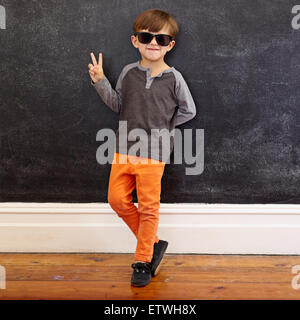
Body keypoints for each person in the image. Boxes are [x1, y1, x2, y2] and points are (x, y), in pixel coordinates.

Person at [88, 9, 196, 287]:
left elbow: (188, 110)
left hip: (154, 154)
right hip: (123, 148)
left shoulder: (174, 78)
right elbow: (117, 104)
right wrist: (100, 81)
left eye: (161, 39)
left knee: (149, 208)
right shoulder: (128, 72)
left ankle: (142, 261)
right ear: (135, 40)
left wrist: (164, 129)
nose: (153, 43)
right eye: (146, 37)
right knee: (116, 199)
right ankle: (154, 244)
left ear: (170, 45)